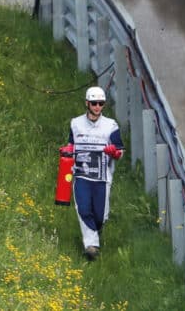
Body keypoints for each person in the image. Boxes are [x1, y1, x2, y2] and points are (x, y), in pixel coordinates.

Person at [64, 86, 124, 260]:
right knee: (83, 208)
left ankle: (96, 232)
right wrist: (68, 150)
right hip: (82, 175)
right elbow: (71, 144)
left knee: (100, 215)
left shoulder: (111, 125)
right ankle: (91, 247)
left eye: (101, 103)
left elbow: (120, 150)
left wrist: (114, 152)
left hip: (102, 178)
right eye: (94, 103)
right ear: (87, 103)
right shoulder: (75, 123)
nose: (97, 107)